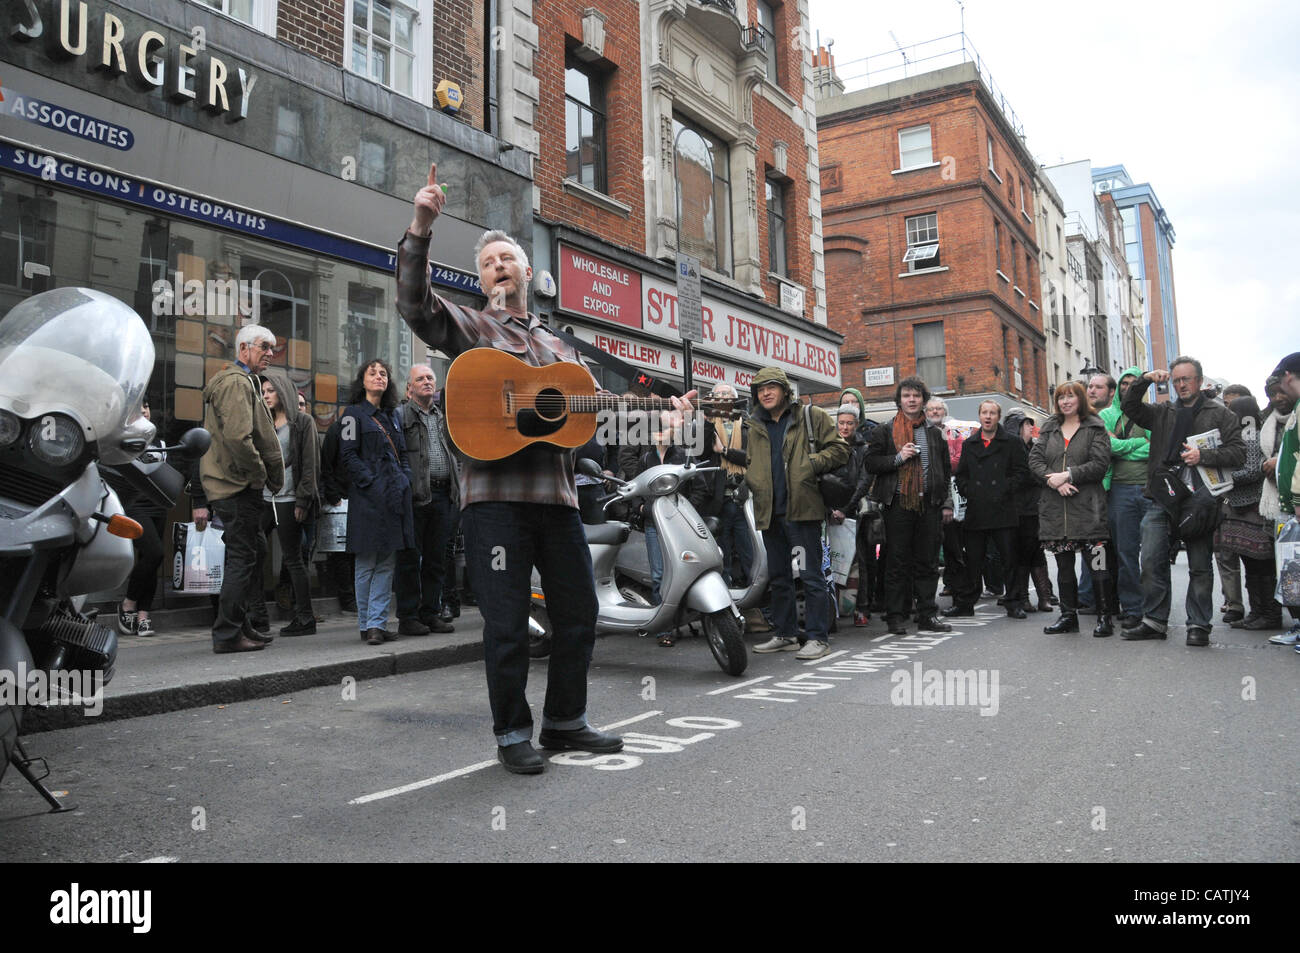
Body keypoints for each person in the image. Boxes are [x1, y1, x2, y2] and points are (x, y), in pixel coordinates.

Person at [397, 162, 686, 774]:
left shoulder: (559, 349)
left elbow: (597, 406)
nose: (499, 267)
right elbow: (416, 306)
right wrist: (421, 228)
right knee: (506, 625)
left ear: (529, 272)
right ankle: (511, 734)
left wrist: (666, 404)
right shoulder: (472, 328)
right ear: (482, 278)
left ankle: (564, 722)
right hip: (494, 505)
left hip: (556, 505)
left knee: (578, 614)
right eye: (488, 263)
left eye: (508, 259)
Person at [1119, 357, 1246, 646]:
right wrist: (1146, 380)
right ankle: (1154, 621)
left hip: (1201, 500)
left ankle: (1199, 625)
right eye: (1177, 380)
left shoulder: (1220, 413)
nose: (1181, 385)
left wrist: (1205, 457)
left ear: (1199, 381)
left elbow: (1239, 453)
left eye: (1187, 379)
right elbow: (1130, 407)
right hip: (1162, 496)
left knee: (1200, 565)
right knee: (1150, 560)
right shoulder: (1163, 412)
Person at [743, 367, 848, 660]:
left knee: (811, 576)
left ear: (785, 391)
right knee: (778, 578)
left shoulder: (809, 417)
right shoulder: (755, 426)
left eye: (771, 387)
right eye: (760, 389)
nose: (765, 393)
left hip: (801, 512)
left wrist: (810, 464)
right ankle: (785, 634)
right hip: (769, 512)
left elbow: (840, 450)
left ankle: (818, 637)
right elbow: (752, 462)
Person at [195, 324, 284, 655]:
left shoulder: (243, 381)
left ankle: (240, 624)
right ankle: (228, 633)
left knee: (253, 552)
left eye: (272, 348)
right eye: (264, 346)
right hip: (238, 486)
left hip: (237, 485)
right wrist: (259, 473)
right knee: (242, 558)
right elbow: (238, 438)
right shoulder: (236, 382)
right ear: (244, 348)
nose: (269, 354)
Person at [864, 376, 954, 636]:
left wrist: (944, 501)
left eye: (916, 395)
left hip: (929, 504)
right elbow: (870, 464)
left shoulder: (934, 433)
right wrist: (897, 458)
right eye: (906, 396)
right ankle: (895, 616)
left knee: (927, 563)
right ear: (899, 400)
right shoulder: (885, 430)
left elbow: (945, 471)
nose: (911, 400)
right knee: (897, 562)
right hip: (898, 504)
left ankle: (927, 614)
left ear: (923, 400)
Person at [1029, 381, 1116, 636]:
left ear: (1079, 399)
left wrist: (1067, 475)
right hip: (1057, 513)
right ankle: (1068, 616)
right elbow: (1034, 460)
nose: (1065, 402)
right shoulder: (1049, 428)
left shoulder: (1095, 426)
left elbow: (1100, 464)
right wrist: (1052, 481)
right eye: (1060, 398)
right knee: (1064, 569)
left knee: (1098, 567)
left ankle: (1104, 617)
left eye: (1070, 397)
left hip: (1090, 513)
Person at [339, 359, 416, 646]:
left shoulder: (393, 416)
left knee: (387, 563)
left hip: (395, 498)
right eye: (372, 373)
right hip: (368, 499)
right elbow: (348, 456)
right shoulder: (351, 415)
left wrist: (405, 478)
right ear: (362, 380)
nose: (379, 377)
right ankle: (367, 624)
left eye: (383, 373)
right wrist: (371, 483)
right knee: (367, 562)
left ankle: (378, 624)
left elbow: (403, 454)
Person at [246, 368, 320, 637]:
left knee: (293, 560)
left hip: (290, 500)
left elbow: (310, 465)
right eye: (262, 392)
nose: (266, 395)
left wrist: (303, 499)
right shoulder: (262, 422)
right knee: (251, 554)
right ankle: (258, 617)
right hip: (264, 499)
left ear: (283, 391)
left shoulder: (302, 422)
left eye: (270, 390)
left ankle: (304, 618)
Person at [945, 400, 1029, 619]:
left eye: (992, 413)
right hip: (977, 509)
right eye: (984, 413)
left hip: (1004, 509)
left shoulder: (1012, 442)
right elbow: (961, 475)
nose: (988, 417)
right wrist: (969, 491)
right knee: (973, 560)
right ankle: (965, 603)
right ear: (980, 416)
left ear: (998, 416)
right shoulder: (970, 443)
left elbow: (1022, 473)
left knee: (1009, 559)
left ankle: (1014, 602)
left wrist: (1004, 489)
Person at [631, 410, 708, 647]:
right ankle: (664, 629)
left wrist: (684, 509)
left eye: (665, 428)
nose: (661, 434)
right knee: (658, 575)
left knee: (687, 572)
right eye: (656, 429)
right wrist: (642, 509)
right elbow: (633, 489)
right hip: (654, 524)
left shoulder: (684, 455)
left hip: (679, 526)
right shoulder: (645, 459)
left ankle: (690, 620)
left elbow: (700, 487)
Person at [394, 364, 458, 635]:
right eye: (420, 379)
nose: (427, 382)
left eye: (430, 378)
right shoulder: (400, 415)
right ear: (409, 388)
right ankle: (408, 616)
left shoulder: (443, 416)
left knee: (436, 559)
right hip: (415, 496)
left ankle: (430, 612)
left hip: (444, 494)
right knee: (409, 558)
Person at [1214, 395, 1283, 631]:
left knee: (1261, 564)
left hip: (1253, 508)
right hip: (1242, 508)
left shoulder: (1251, 436)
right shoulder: (1250, 434)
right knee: (1252, 565)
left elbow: (1253, 470)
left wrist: (1223, 479)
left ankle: (1269, 614)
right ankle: (1257, 612)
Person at [1097, 368, 1153, 629]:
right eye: (1124, 384)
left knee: (1153, 555)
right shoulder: (1106, 416)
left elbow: (1156, 449)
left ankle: (1154, 610)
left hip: (1149, 490)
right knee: (1126, 554)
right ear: (1118, 387)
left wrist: (1123, 448)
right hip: (1119, 490)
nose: (1128, 388)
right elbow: (1108, 448)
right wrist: (1137, 445)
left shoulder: (1152, 413)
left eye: (1134, 384)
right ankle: (1132, 608)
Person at [117, 398, 166, 637]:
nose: (144, 410)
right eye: (139, 408)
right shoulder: (124, 442)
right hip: (135, 506)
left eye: (146, 406)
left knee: (152, 560)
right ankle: (128, 603)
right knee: (155, 552)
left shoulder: (161, 443)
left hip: (159, 507)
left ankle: (144, 615)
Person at [1260, 379, 1300, 645]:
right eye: (1272, 393)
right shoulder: (1267, 421)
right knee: (1290, 572)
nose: (1278, 397)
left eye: (1281, 390)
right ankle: (1297, 625)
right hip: (1281, 503)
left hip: (1293, 502)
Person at [1003, 410, 1054, 612]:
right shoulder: (1012, 450)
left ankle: (1044, 596)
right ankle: (1024, 597)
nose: (1030, 428)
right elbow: (1023, 476)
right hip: (1017, 508)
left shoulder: (1035, 448)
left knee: (1036, 551)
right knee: (1022, 552)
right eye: (1026, 425)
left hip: (1036, 507)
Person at [1214, 383, 1253, 623]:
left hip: (1251, 502)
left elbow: (1253, 469)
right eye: (1226, 405)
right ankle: (1233, 603)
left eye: (1233, 405)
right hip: (1223, 500)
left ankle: (1262, 604)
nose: (1229, 410)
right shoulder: (1220, 429)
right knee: (1224, 554)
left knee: (1254, 557)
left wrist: (1224, 477)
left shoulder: (1255, 430)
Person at [708, 383, 754, 589]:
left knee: (749, 552)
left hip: (744, 497)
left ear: (734, 400)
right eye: (718, 394)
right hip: (718, 498)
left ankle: (754, 593)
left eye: (727, 394)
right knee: (721, 552)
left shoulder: (748, 425)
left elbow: (754, 459)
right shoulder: (706, 426)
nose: (723, 397)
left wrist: (724, 450)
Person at [827, 404, 868, 622]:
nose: (845, 427)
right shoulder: (829, 444)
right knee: (831, 559)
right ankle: (834, 608)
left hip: (853, 511)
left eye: (849, 423)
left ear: (857, 424)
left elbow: (863, 481)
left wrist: (845, 509)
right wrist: (830, 509)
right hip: (829, 511)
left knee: (857, 559)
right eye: (841, 422)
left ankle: (861, 608)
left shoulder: (863, 448)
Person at [318, 412, 357, 614]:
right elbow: (327, 465)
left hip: (361, 501)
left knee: (359, 552)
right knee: (341, 552)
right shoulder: (339, 429)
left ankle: (355, 597)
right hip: (342, 501)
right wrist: (334, 496)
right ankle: (347, 598)